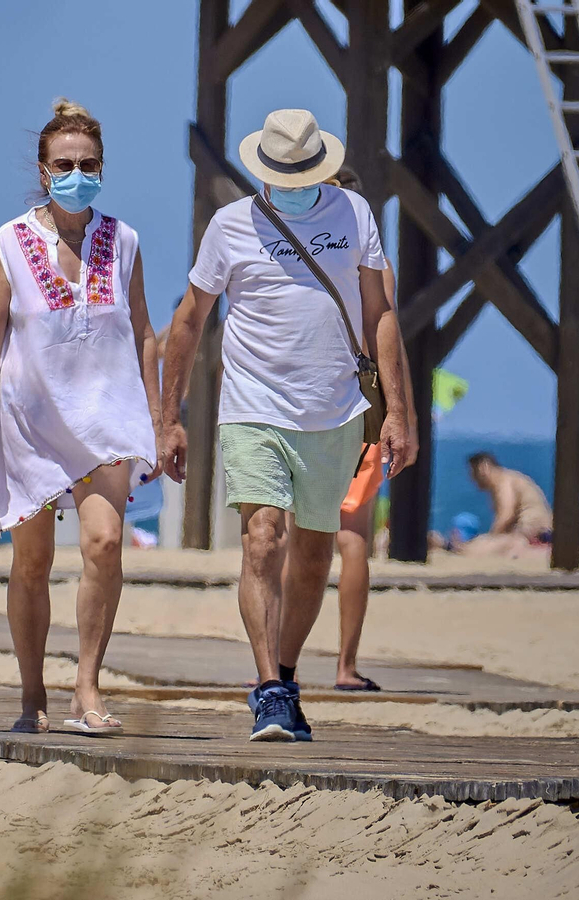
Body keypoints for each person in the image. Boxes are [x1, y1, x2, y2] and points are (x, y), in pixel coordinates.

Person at [160, 109, 412, 741]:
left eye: (306, 172)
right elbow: (190, 320)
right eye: (285, 173)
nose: (297, 183)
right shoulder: (229, 226)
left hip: (334, 410)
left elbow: (381, 314)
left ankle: (289, 675)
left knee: (312, 552)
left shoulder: (355, 216)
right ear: (265, 170)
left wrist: (400, 413)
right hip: (253, 406)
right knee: (262, 538)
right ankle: (269, 686)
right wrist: (169, 416)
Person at [0, 99, 161, 736]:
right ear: (43, 169)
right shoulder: (9, 242)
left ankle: (87, 686)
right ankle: (33, 696)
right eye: (64, 164)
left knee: (105, 545)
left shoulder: (126, 240)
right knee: (31, 562)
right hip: (29, 424)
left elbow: (143, 333)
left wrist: (161, 417)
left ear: (102, 168)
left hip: (107, 421)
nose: (75, 173)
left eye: (87, 164)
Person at [297, 165, 418, 693]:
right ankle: (344, 667)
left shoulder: (292, 259)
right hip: (362, 405)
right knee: (351, 540)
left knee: (293, 537)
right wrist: (402, 415)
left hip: (305, 407)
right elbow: (389, 344)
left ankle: (285, 665)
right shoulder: (376, 265)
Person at [457, 452, 553, 557]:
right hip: (535, 528)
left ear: (484, 467)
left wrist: (492, 536)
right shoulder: (506, 480)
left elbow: (506, 515)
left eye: (474, 473)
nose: (473, 479)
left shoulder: (504, 481)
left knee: (481, 546)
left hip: (530, 528)